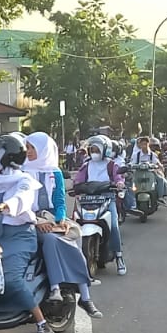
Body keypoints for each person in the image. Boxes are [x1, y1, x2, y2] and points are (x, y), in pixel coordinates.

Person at [0, 134, 57, 333]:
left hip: (20, 236)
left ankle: (43, 325)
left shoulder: (24, 180)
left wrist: (4, 207)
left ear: (5, 159)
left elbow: (21, 199)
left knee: (11, 279)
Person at [23, 133, 103, 318]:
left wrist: (60, 220)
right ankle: (55, 287)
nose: (28, 151)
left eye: (32, 148)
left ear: (43, 150)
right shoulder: (23, 172)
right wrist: (38, 221)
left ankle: (85, 296)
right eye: (27, 147)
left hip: (52, 218)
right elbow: (23, 204)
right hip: (32, 219)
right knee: (51, 239)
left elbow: (59, 201)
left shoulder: (55, 172)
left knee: (74, 234)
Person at [72, 136, 128, 276]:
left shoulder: (112, 165)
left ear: (105, 150)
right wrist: (76, 186)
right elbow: (78, 179)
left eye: (97, 150)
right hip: (87, 199)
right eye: (92, 150)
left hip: (107, 198)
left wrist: (119, 183)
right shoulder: (86, 165)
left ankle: (119, 257)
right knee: (74, 222)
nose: (94, 152)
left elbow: (118, 177)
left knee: (113, 225)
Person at [126, 135, 166, 211]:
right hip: (138, 173)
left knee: (160, 179)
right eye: (142, 144)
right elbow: (132, 162)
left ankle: (160, 197)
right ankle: (132, 202)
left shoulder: (152, 154)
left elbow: (157, 162)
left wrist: (160, 166)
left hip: (151, 173)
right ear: (140, 145)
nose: (144, 146)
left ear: (148, 144)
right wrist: (129, 165)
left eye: (146, 144)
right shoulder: (136, 154)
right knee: (130, 184)